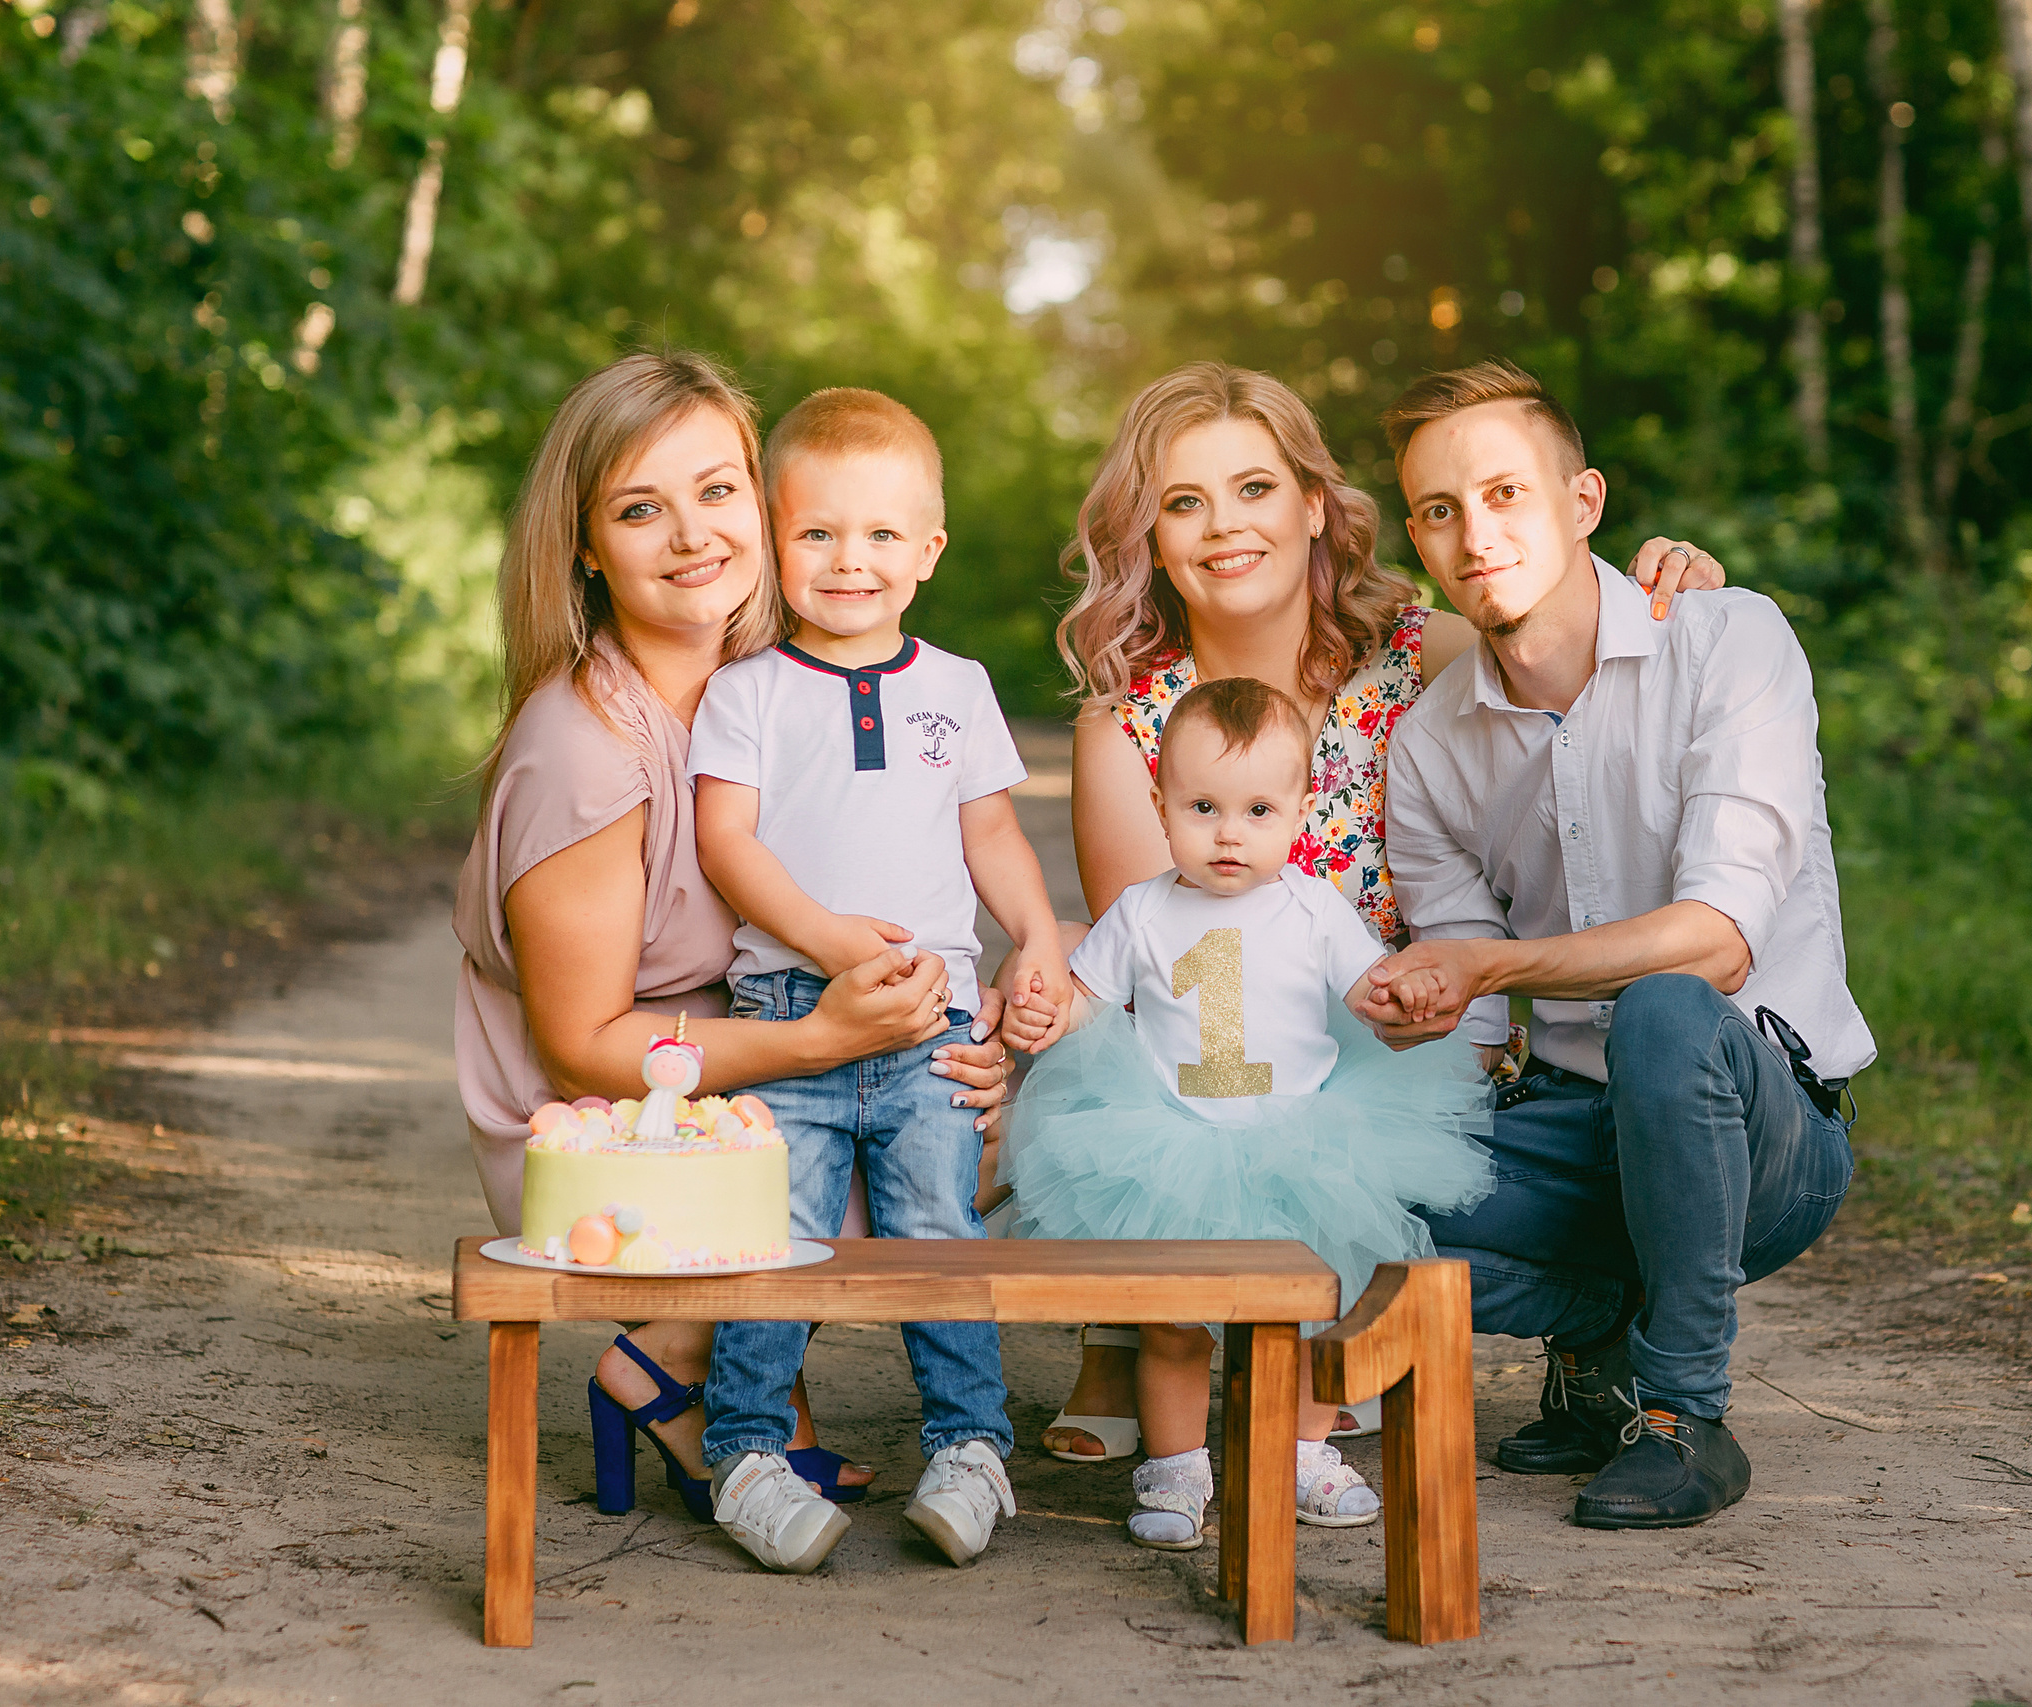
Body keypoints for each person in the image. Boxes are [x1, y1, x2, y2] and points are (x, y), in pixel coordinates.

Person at [1038, 360, 1731, 1461]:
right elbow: (1153, 946)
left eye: (1255, 489)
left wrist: (1670, 577)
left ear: (1315, 505)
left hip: (1401, 1044)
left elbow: (1569, 636)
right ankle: (1137, 1323)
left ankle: (1342, 1325)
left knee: (1402, 1193)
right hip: (1214, 1047)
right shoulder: (1130, 714)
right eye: (1184, 502)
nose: (1225, 525)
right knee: (1116, 1053)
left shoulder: (1427, 653)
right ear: (1152, 539)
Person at [452, 353, 1014, 1522]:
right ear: (584, 546)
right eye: (637, 509)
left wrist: (953, 1005)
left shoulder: (771, 686)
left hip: (743, 1042)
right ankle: (666, 1362)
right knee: (866, 1140)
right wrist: (826, 1039)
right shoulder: (586, 752)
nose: (691, 534)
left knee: (972, 1107)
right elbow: (583, 1045)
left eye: (716, 491)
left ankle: (746, 1372)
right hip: (606, 1114)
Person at [1361, 360, 1873, 1531]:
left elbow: (1717, 946)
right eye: (1438, 510)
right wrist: (1396, 1050)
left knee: (1665, 1006)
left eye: (1504, 493)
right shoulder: (1430, 743)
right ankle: (1599, 1340)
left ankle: (1682, 1412)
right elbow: (1471, 1035)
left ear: (1582, 500)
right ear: (1417, 538)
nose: (1474, 535)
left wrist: (1491, 966)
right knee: (1346, 1187)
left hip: (1760, 1135)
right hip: (1573, 1133)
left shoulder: (1728, 640)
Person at [689, 388, 1070, 1573]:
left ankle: (970, 1448)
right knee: (775, 1239)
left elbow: (991, 835)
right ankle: (745, 1455)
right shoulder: (749, 687)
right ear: (775, 539)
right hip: (788, 1013)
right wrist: (829, 941)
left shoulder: (956, 685)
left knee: (937, 1231)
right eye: (817, 532)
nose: (849, 560)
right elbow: (726, 843)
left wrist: (1037, 937)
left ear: (928, 550)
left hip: (931, 1018)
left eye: (880, 534)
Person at [999, 677, 1493, 1548]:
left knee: (1309, 1308)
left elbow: (1366, 992)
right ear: (1160, 805)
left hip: (1299, 1142)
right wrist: (1051, 1011)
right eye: (1203, 807)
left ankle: (1302, 1452)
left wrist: (1399, 998)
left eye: (1259, 810)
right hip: (1171, 1142)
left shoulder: (1315, 907)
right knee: (1173, 1321)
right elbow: (1089, 1000)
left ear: (1302, 810)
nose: (1229, 833)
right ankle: (1176, 1466)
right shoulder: (1144, 909)